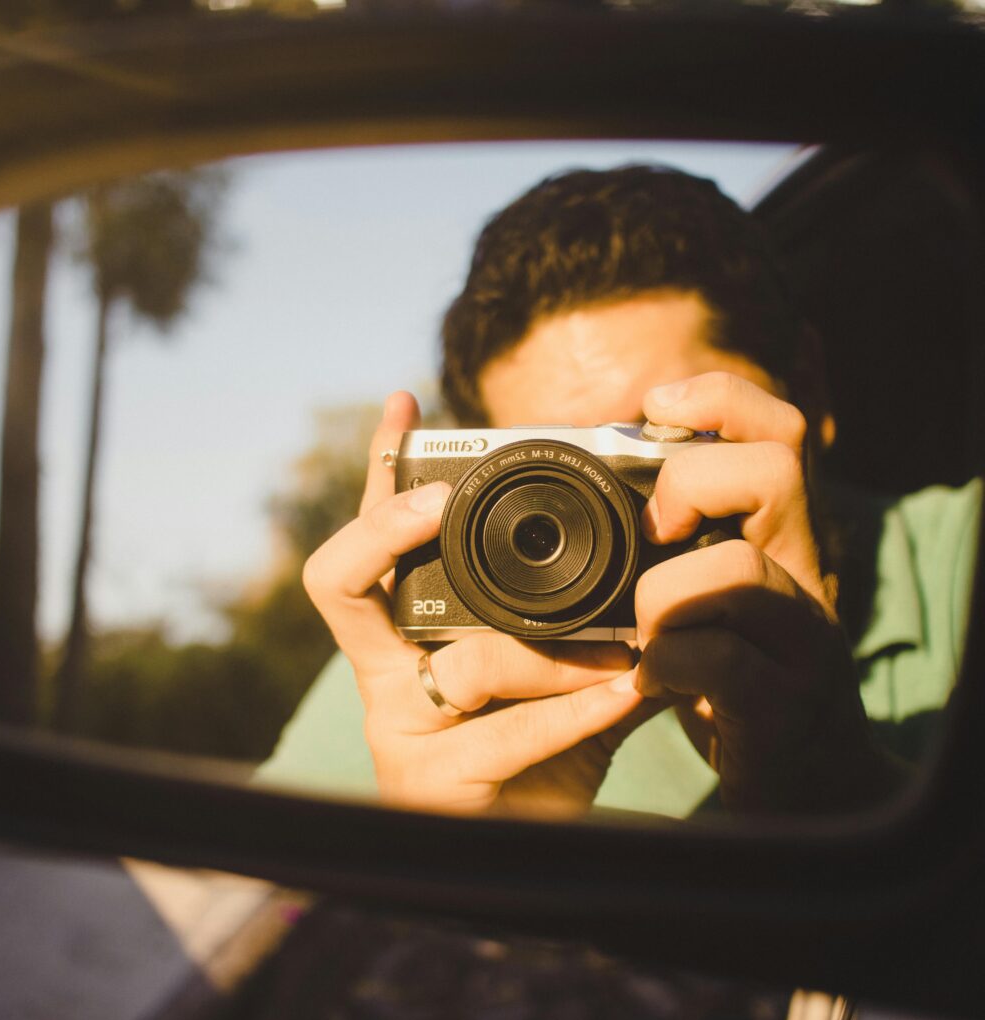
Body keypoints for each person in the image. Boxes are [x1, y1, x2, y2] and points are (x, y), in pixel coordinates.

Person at [257, 165, 981, 819]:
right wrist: (457, 873)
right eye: (550, 481)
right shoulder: (421, 688)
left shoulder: (963, 565)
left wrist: (843, 794)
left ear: (810, 387)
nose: (593, 522)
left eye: (653, 444)